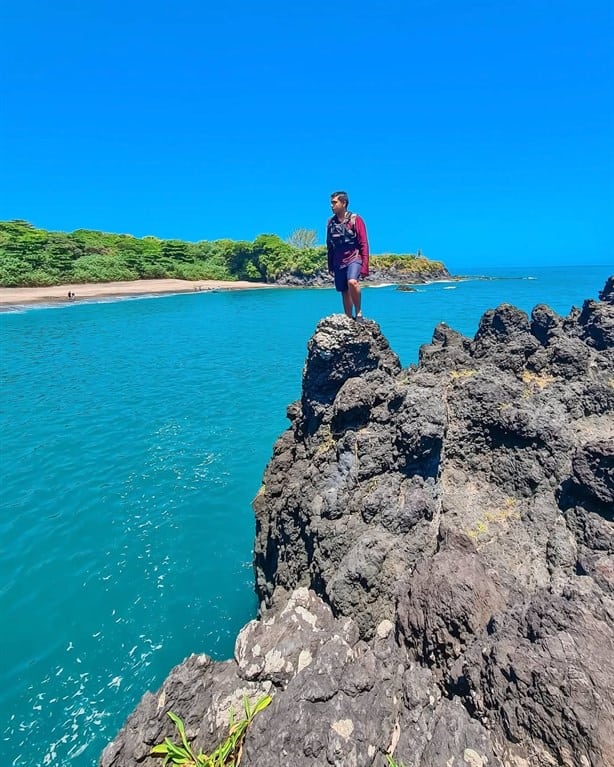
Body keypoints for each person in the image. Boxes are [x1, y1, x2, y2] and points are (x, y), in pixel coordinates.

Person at [326, 191, 369, 320]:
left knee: (352, 282)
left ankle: (359, 312)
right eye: (331, 203)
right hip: (338, 261)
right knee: (344, 290)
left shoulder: (356, 219)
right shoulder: (330, 223)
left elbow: (364, 243)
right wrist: (330, 265)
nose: (331, 206)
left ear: (343, 203)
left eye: (334, 203)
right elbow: (329, 245)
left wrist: (365, 266)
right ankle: (349, 317)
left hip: (354, 257)